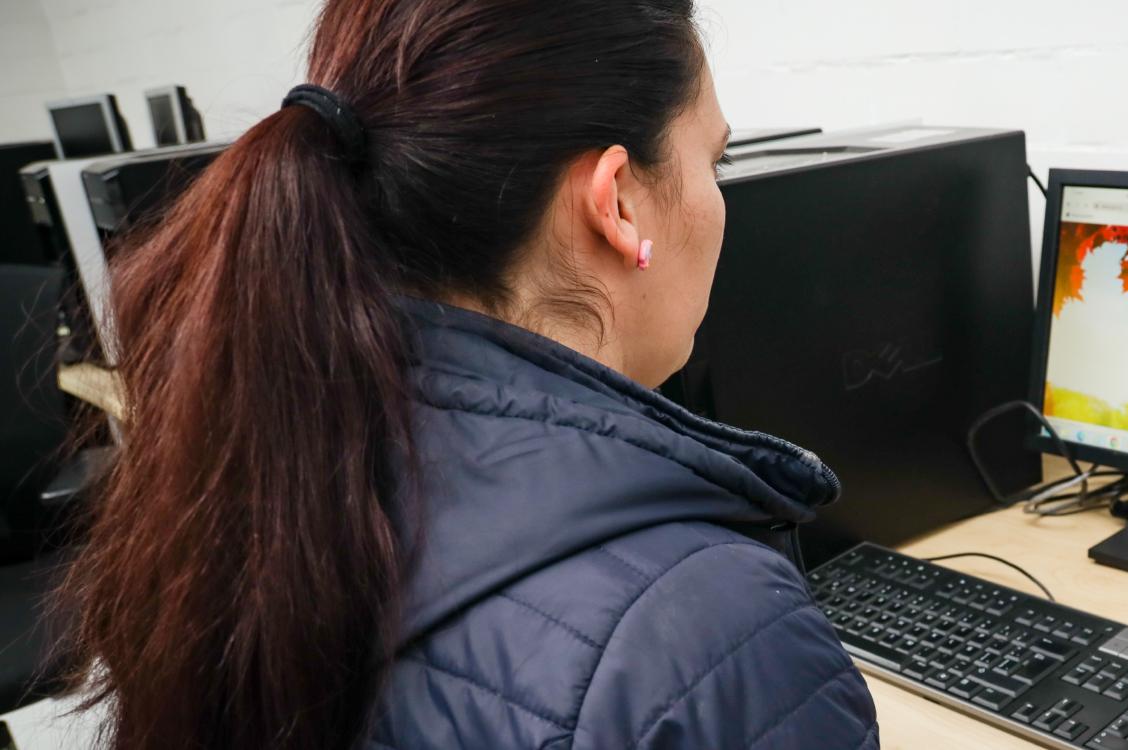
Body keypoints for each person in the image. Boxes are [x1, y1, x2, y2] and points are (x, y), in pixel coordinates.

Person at [51, 1, 873, 748]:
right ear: (617, 202)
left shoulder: (265, 472)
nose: (720, 197)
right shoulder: (720, 632)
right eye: (714, 162)